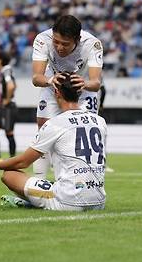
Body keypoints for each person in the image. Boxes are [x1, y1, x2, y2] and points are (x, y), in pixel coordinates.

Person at [0, 72, 107, 211]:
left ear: (57, 92)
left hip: (69, 202)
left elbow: (23, 162)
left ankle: (31, 202)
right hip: (99, 201)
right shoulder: (100, 121)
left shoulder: (55, 123)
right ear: (80, 92)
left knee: (9, 175)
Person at [31, 15, 105, 178]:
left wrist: (84, 83)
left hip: (82, 88)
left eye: (65, 44)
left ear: (77, 39)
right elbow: (37, 78)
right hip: (52, 84)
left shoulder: (92, 44)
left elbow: (95, 82)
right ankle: (39, 181)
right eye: (56, 42)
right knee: (43, 129)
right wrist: (50, 80)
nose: (59, 47)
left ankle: (84, 180)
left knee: (84, 131)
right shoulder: (42, 39)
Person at [0, 51, 17, 159]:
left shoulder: (6, 70)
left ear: (0, 60)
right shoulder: (6, 71)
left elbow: (11, 86)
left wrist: (7, 99)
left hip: (8, 106)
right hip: (3, 106)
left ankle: (12, 159)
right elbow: (15, 85)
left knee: (9, 133)